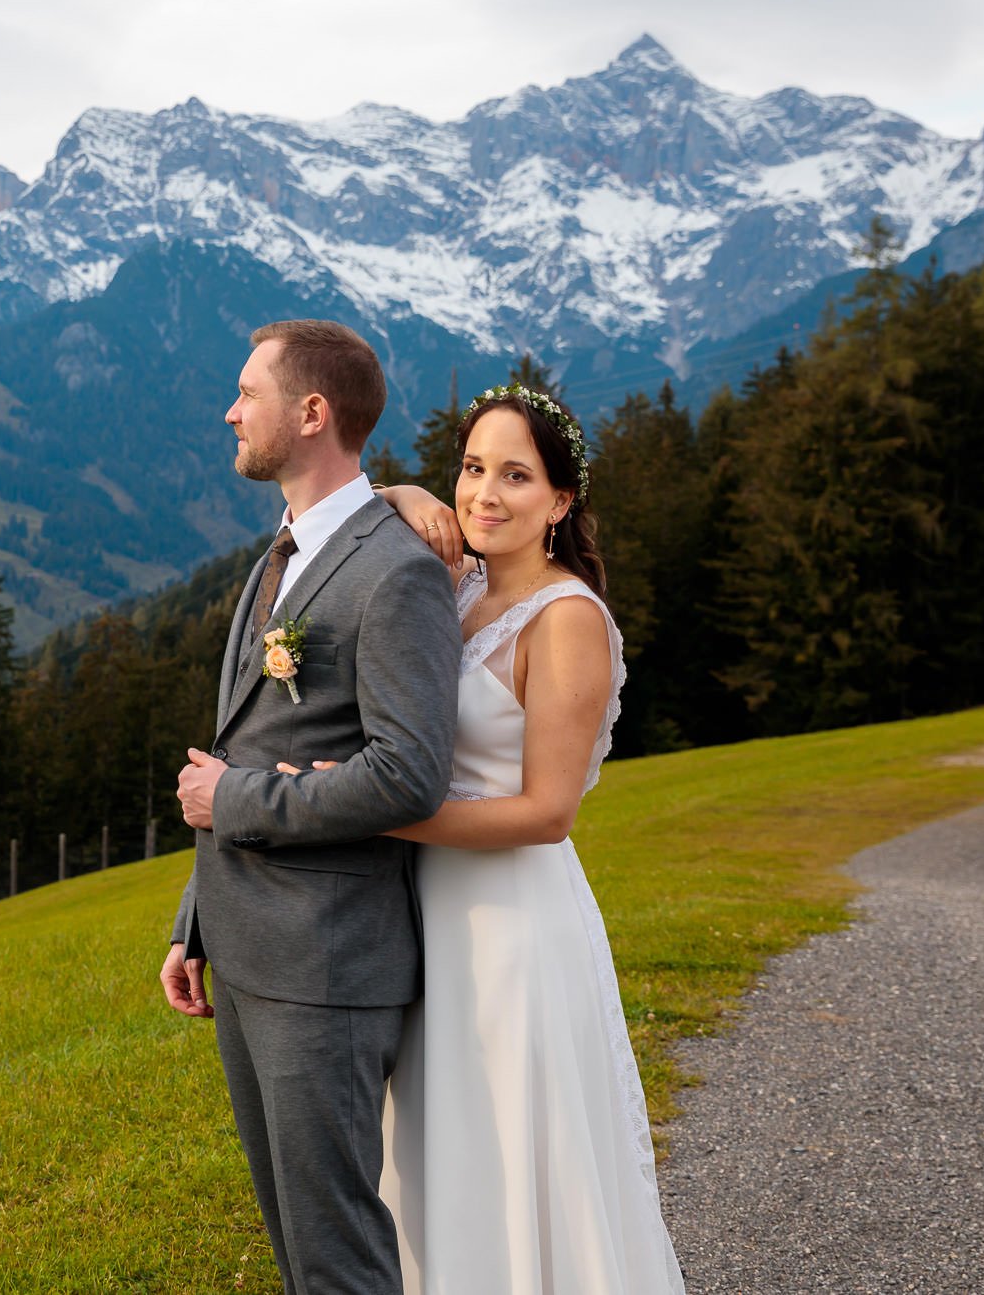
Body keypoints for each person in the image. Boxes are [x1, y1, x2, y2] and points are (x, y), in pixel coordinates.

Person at [284, 384, 687, 1294]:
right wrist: (407, 497)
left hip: (513, 928)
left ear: (562, 500)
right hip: (427, 920)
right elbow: (367, 504)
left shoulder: (568, 618)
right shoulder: (453, 581)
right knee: (436, 1150)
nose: (486, 495)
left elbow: (549, 812)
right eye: (471, 469)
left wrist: (368, 804)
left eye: (516, 475)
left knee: (512, 1155)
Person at [162, 319, 460, 1295]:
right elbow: (250, 742)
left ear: (311, 413)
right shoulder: (277, 553)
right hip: (249, 954)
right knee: (294, 1246)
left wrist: (229, 802)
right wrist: (193, 923)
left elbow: (406, 775)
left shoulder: (395, 571)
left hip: (326, 969)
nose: (229, 410)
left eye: (246, 393)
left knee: (336, 1256)